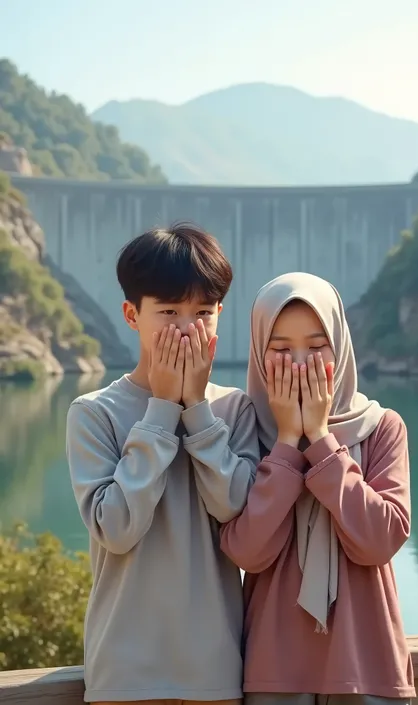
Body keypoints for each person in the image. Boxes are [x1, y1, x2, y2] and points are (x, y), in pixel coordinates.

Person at [66, 222, 260, 705]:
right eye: (169, 311)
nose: (187, 327)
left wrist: (196, 411)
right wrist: (161, 412)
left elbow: (235, 512)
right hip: (123, 673)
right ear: (132, 314)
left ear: (220, 314)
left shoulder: (235, 410)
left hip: (215, 672)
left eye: (203, 312)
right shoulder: (94, 413)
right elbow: (117, 529)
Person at [220, 272, 415, 705]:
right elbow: (247, 551)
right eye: (281, 349)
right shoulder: (244, 432)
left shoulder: (381, 428)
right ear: (258, 352)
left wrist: (323, 441)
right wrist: (288, 444)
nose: (301, 363)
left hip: (367, 663)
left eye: (317, 345)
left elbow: (379, 541)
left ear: (340, 347)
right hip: (275, 670)